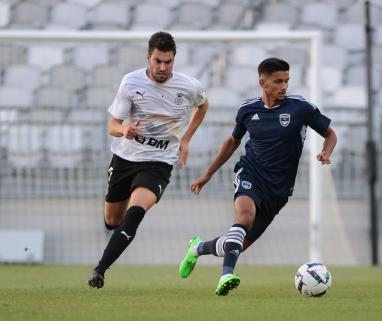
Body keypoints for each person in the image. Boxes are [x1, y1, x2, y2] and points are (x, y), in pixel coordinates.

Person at [178, 57, 336, 295]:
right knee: (245, 215)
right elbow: (232, 141)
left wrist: (326, 151)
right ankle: (226, 275)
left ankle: (197, 248)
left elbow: (330, 133)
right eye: (278, 81)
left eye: (287, 81)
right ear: (263, 82)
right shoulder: (247, 110)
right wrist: (207, 174)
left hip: (279, 190)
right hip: (250, 172)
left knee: (237, 244)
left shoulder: (300, 108)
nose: (284, 86)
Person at [87, 31, 209, 289]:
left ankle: (100, 270)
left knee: (135, 213)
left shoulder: (189, 86)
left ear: (174, 60)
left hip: (159, 163)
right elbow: (112, 124)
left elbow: (203, 105)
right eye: (158, 61)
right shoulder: (130, 82)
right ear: (148, 58)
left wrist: (185, 139)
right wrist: (124, 130)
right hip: (125, 157)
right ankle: (114, 236)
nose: (163, 67)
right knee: (112, 220)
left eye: (168, 62)